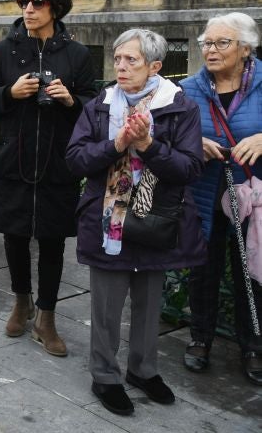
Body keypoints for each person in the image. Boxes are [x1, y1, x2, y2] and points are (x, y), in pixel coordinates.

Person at [66, 28, 205, 415]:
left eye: (131, 60)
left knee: (148, 302)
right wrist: (117, 145)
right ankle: (105, 375)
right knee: (106, 307)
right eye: (117, 58)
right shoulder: (100, 105)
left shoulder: (179, 107)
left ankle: (143, 370)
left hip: (156, 217)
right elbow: (75, 159)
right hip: (108, 218)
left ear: (155, 67)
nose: (121, 67)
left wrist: (148, 146)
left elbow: (190, 168)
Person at [0, 0, 96, 357]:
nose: (28, 9)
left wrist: (70, 99)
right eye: (23, 2)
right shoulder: (3, 52)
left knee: (52, 240)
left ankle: (46, 317)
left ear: (55, 9)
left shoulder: (77, 55)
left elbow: (93, 106)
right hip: (13, 159)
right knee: (13, 235)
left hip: (56, 163)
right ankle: (21, 301)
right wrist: (9, 93)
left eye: (37, 3)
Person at [179, 12, 262, 385]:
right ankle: (200, 338)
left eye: (221, 43)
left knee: (252, 272)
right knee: (203, 270)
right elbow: (167, 133)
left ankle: (253, 345)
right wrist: (193, 142)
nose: (211, 50)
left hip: (253, 197)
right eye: (207, 43)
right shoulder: (189, 88)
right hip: (205, 193)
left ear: (245, 48)